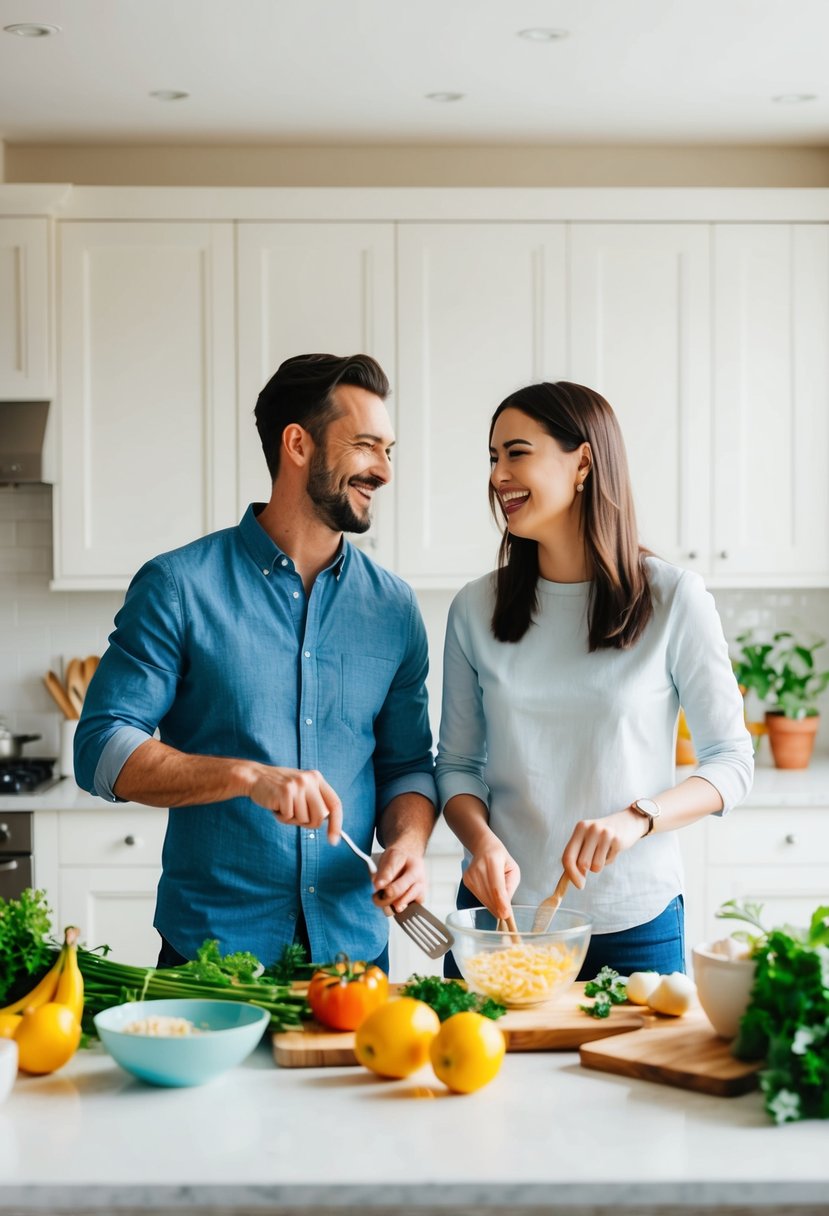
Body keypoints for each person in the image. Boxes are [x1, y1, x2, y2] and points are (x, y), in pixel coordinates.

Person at [74, 353, 437, 972]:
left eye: (389, 450)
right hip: (210, 954)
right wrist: (247, 777)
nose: (383, 470)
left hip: (354, 953)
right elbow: (100, 749)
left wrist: (408, 843)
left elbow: (406, 766)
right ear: (298, 443)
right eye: (366, 447)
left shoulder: (395, 609)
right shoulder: (178, 586)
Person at [436, 380, 753, 979]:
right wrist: (480, 842)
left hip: (633, 925)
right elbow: (455, 765)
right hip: (502, 921)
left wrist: (640, 816)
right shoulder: (475, 609)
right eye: (493, 457)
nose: (498, 474)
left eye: (517, 452)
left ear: (583, 460)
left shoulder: (673, 599)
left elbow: (731, 761)